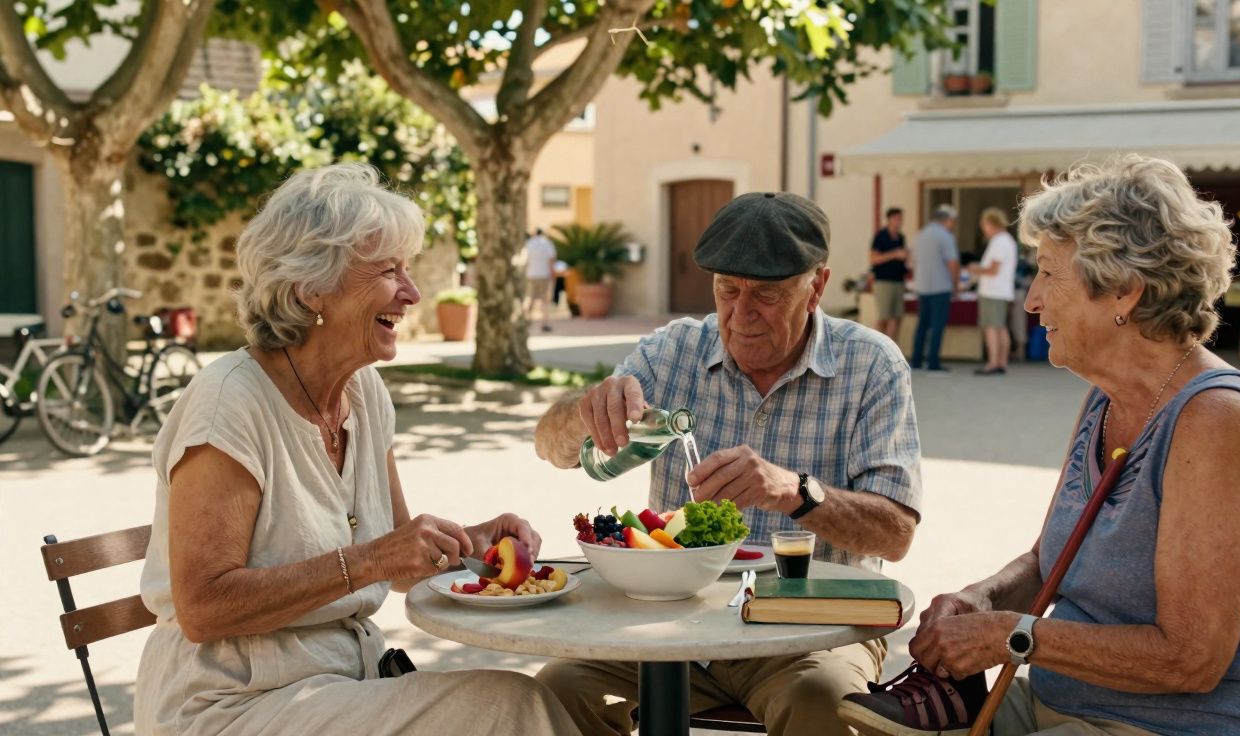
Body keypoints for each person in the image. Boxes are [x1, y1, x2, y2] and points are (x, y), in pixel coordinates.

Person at [840, 156, 1240, 736]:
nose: (1031, 300)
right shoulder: (1107, 397)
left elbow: (1190, 658)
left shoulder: (1217, 420)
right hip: (1066, 706)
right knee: (842, 713)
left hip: (1178, 724)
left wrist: (1007, 636)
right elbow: (1050, 562)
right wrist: (980, 600)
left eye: (1047, 275)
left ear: (1123, 292)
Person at [134, 164, 580, 736]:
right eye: (389, 270)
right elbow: (202, 606)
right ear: (310, 286)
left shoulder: (364, 393)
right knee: (508, 707)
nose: (413, 293)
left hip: (343, 685)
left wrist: (471, 543)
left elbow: (399, 563)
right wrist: (370, 561)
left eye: (409, 269)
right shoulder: (229, 403)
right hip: (229, 705)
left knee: (525, 702)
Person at [534, 191, 923, 736]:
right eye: (727, 290)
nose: (741, 314)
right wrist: (584, 413)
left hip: (809, 630)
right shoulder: (674, 351)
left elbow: (896, 535)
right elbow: (551, 447)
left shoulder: (871, 363)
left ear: (817, 287)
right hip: (672, 626)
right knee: (556, 691)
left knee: (824, 703)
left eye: (767, 293)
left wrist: (794, 491)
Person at [910, 204, 960, 372]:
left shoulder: (920, 234)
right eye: (952, 221)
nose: (953, 225)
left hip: (922, 286)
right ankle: (933, 363)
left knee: (922, 325)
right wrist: (955, 285)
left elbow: (912, 260)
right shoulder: (945, 236)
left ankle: (916, 361)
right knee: (937, 326)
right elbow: (952, 263)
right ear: (946, 220)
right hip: (940, 287)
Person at [968, 207, 1018, 375]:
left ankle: (993, 362)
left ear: (991, 224)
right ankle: (1001, 362)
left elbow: (992, 269)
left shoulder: (999, 242)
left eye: (985, 225)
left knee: (991, 327)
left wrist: (975, 268)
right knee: (1001, 327)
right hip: (1002, 290)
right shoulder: (1008, 240)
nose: (984, 228)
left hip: (993, 291)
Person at [869, 207, 909, 339]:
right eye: (897, 218)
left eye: (901, 219)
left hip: (898, 280)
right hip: (883, 281)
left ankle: (891, 349)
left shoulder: (901, 237)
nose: (900, 222)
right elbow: (873, 259)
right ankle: (875, 346)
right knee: (883, 317)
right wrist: (894, 254)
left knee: (896, 317)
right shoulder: (880, 236)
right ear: (890, 219)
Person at [525, 227, 557, 332]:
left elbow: (525, 260)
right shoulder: (547, 244)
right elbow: (551, 261)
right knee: (544, 301)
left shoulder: (529, 244)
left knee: (530, 298)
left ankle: (525, 320)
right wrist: (553, 276)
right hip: (544, 275)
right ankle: (545, 323)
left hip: (531, 275)